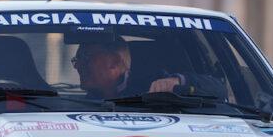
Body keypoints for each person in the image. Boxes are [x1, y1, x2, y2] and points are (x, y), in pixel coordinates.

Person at [72, 37, 225, 99]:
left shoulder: (157, 83)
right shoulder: (63, 105)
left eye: (86, 58)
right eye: (76, 60)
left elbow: (220, 90)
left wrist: (180, 81)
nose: (77, 66)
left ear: (114, 61)